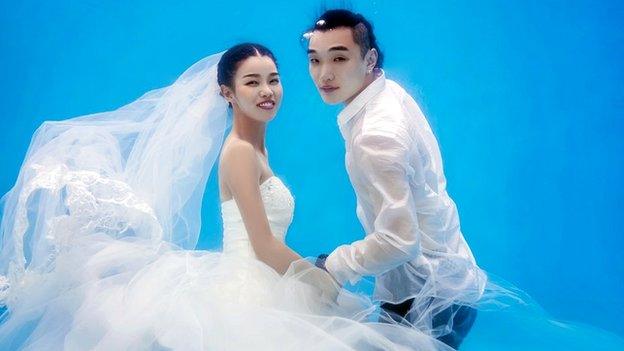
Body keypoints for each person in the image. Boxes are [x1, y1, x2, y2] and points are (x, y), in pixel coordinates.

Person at [0, 43, 452, 350]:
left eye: (273, 79)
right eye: (252, 82)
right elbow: (262, 245)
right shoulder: (239, 153)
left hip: (269, 280)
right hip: (248, 290)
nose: (267, 91)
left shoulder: (257, 146)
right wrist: (321, 278)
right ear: (227, 93)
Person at [305, 9, 486, 349]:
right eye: (315, 60)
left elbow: (400, 241)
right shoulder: (387, 93)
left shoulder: (377, 134)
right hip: (446, 285)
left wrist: (334, 265)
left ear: (369, 58)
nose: (324, 74)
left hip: (427, 299)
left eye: (339, 58)